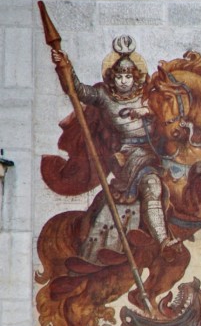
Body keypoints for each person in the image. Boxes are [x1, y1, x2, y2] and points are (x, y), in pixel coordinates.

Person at [50, 35, 171, 262]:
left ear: (135, 78)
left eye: (128, 76)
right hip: (126, 155)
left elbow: (169, 114)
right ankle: (164, 241)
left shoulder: (149, 96)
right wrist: (64, 65)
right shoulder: (104, 96)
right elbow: (76, 91)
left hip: (155, 151)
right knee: (151, 184)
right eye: (120, 76)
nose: (124, 81)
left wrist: (151, 112)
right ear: (112, 78)